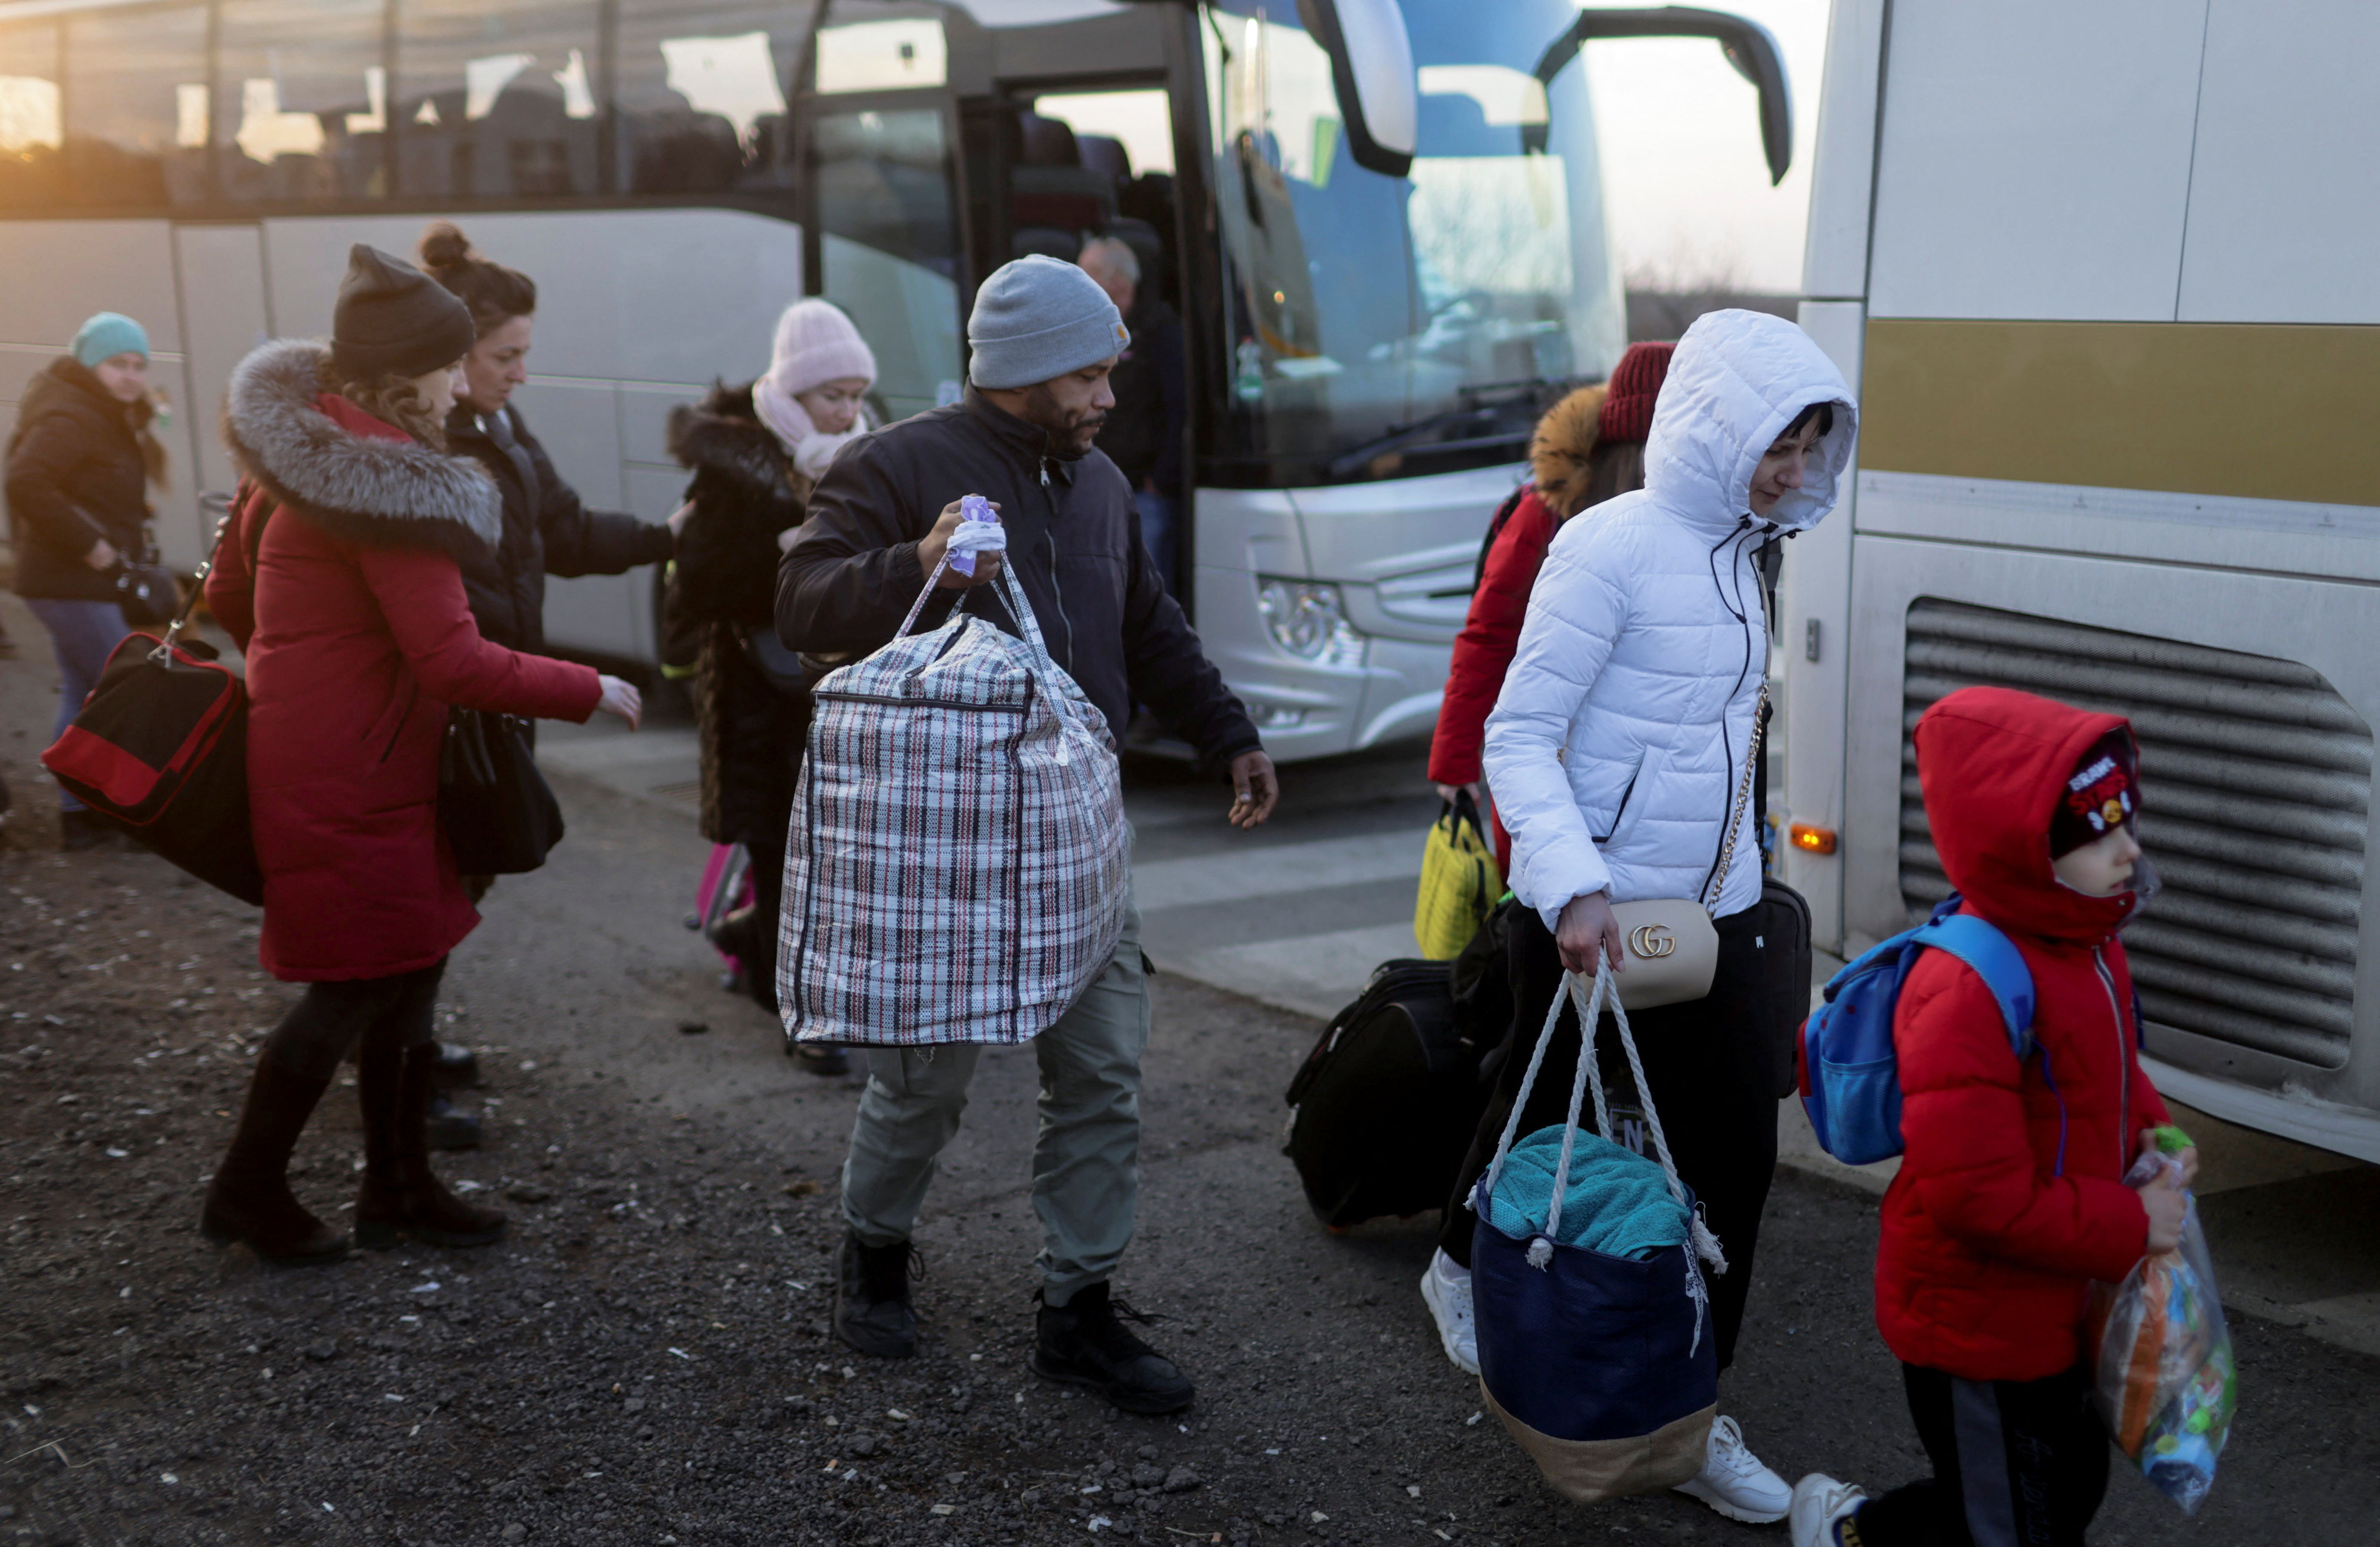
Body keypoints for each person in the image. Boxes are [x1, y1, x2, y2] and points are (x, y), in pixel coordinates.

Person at [779, 254, 1277, 1413]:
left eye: (1109, 369)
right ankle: (875, 1249)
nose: (1107, 394)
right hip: (945, 839)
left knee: (1103, 1072)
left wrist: (1227, 733)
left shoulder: (1096, 482)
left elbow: (1144, 620)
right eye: (1089, 372)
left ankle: (1078, 1309)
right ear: (1021, 372)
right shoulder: (893, 466)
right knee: (923, 1080)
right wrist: (915, 562)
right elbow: (799, 602)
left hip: (1080, 826)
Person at [1459, 309, 1856, 1522]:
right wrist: (1573, 882)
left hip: (1718, 921)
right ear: (1710, 427)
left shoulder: (1751, 549)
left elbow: (1722, 743)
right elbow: (1516, 732)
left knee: (1728, 1171)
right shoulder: (1607, 545)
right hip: (1588, 918)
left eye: (1807, 448)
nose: (1790, 473)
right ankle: (1501, 1313)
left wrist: (1750, 875)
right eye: (1771, 446)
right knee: (1542, 1135)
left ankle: (1686, 1412)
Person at [199, 246, 643, 1267]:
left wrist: (314, 676)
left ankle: (397, 1186)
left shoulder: (299, 454)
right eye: (451, 366)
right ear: (408, 374)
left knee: (404, 967)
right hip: (361, 774)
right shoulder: (390, 487)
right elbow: (450, 659)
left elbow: (233, 596)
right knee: (354, 983)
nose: (462, 383)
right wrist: (585, 686)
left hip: (332, 758)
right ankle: (250, 1186)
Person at [1789, 688, 2191, 1547]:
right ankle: (1849, 1530)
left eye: (2127, 820)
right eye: (2096, 832)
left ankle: (1857, 1530)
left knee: (2054, 1486)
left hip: (2052, 1296)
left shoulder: (2084, 938)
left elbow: (2105, 1076)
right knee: (2015, 1515)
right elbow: (1975, 1197)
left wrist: (2155, 1139)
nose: (2129, 848)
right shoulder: (1964, 988)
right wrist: (2133, 1219)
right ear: (2022, 846)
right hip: (1972, 1321)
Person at [418, 221, 684, 1141]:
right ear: (454, 354)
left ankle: (405, 1042)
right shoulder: (425, 444)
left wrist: (664, 534)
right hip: (450, 711)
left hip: (496, 709)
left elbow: (561, 532)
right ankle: (399, 1067)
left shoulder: (501, 424)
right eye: (508, 355)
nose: (523, 372)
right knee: (431, 891)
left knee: (460, 886)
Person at [667, 298, 879, 1076]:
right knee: (788, 851)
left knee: (836, 854)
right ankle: (805, 1013)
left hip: (841, 689)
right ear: (793, 390)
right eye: (834, 394)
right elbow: (700, 581)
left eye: (858, 393)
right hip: (761, 693)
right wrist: (786, 556)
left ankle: (747, 936)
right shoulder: (735, 461)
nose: (849, 409)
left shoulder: (866, 452)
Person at [1428, 340, 1675, 873]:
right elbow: (1488, 637)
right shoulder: (1548, 513)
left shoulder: (1707, 516)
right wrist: (1455, 763)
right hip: (1551, 773)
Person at [4, 312, 168, 850]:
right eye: (117, 364)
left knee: (85, 691)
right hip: (69, 579)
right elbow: (27, 479)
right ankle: (131, 809)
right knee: (131, 690)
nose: (130, 376)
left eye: (139, 366)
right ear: (90, 365)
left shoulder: (95, 410)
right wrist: (92, 545)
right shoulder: (72, 414)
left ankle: (80, 815)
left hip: (65, 581)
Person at [1076, 236, 1187, 595]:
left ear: (1119, 285)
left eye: (1086, 278)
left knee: (1149, 589)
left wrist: (1161, 477)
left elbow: (1179, 409)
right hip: (1094, 485)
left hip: (1143, 491)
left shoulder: (1161, 334)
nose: (1076, 288)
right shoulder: (1088, 333)